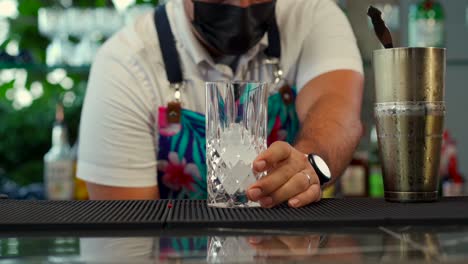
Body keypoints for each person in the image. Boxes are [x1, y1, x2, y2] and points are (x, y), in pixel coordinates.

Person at [77, 0, 364, 208]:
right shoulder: (124, 64)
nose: (241, 4)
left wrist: (307, 165)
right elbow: (129, 235)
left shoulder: (313, 16)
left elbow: (338, 113)